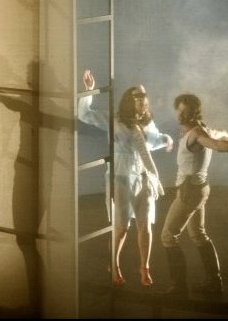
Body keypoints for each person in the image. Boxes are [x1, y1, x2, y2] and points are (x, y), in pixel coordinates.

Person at [78, 70, 173, 287]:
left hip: (143, 177)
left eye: (144, 96)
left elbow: (152, 141)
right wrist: (89, 90)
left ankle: (144, 267)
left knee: (145, 225)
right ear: (129, 100)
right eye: (137, 96)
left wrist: (166, 139)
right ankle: (114, 263)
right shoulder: (116, 119)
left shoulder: (147, 122)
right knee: (121, 227)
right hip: (121, 176)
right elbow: (85, 115)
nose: (142, 100)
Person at [161, 93, 228, 298]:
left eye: (185, 111)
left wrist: (223, 142)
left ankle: (179, 288)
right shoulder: (201, 128)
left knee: (168, 236)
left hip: (190, 191)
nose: (180, 115)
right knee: (198, 234)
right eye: (179, 110)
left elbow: (217, 145)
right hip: (199, 189)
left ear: (194, 112)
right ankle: (214, 283)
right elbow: (220, 134)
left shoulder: (197, 133)